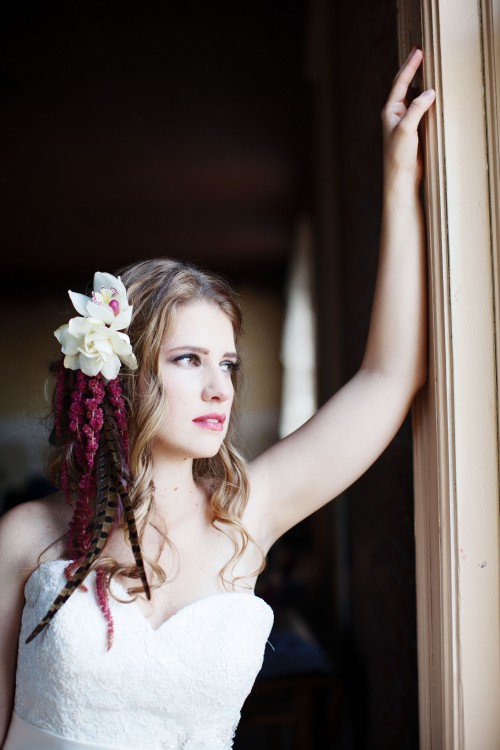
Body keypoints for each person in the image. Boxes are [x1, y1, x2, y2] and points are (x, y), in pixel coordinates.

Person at [0, 48, 435, 750]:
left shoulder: (249, 516)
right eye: (189, 360)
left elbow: (388, 379)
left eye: (228, 363)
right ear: (125, 375)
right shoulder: (25, 538)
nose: (220, 387)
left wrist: (397, 179)